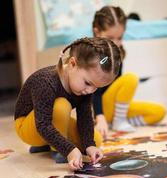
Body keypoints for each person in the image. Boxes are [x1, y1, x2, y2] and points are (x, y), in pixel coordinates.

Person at [14, 37, 122, 170]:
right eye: (88, 83)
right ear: (72, 64)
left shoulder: (86, 88)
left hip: (50, 124)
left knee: (95, 140)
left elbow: (85, 117)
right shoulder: (45, 82)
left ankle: (47, 145)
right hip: (28, 126)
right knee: (61, 105)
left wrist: (90, 145)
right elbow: (42, 124)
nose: (90, 90)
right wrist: (69, 150)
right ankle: (56, 149)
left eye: (96, 87)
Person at [92, 6, 166, 137]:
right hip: (99, 108)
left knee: (158, 112)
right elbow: (94, 93)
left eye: (119, 38)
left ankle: (117, 122)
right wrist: (100, 117)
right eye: (110, 38)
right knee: (131, 78)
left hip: (113, 109)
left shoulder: (117, 55)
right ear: (97, 33)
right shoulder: (94, 56)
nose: (116, 43)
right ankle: (117, 121)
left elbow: (117, 85)